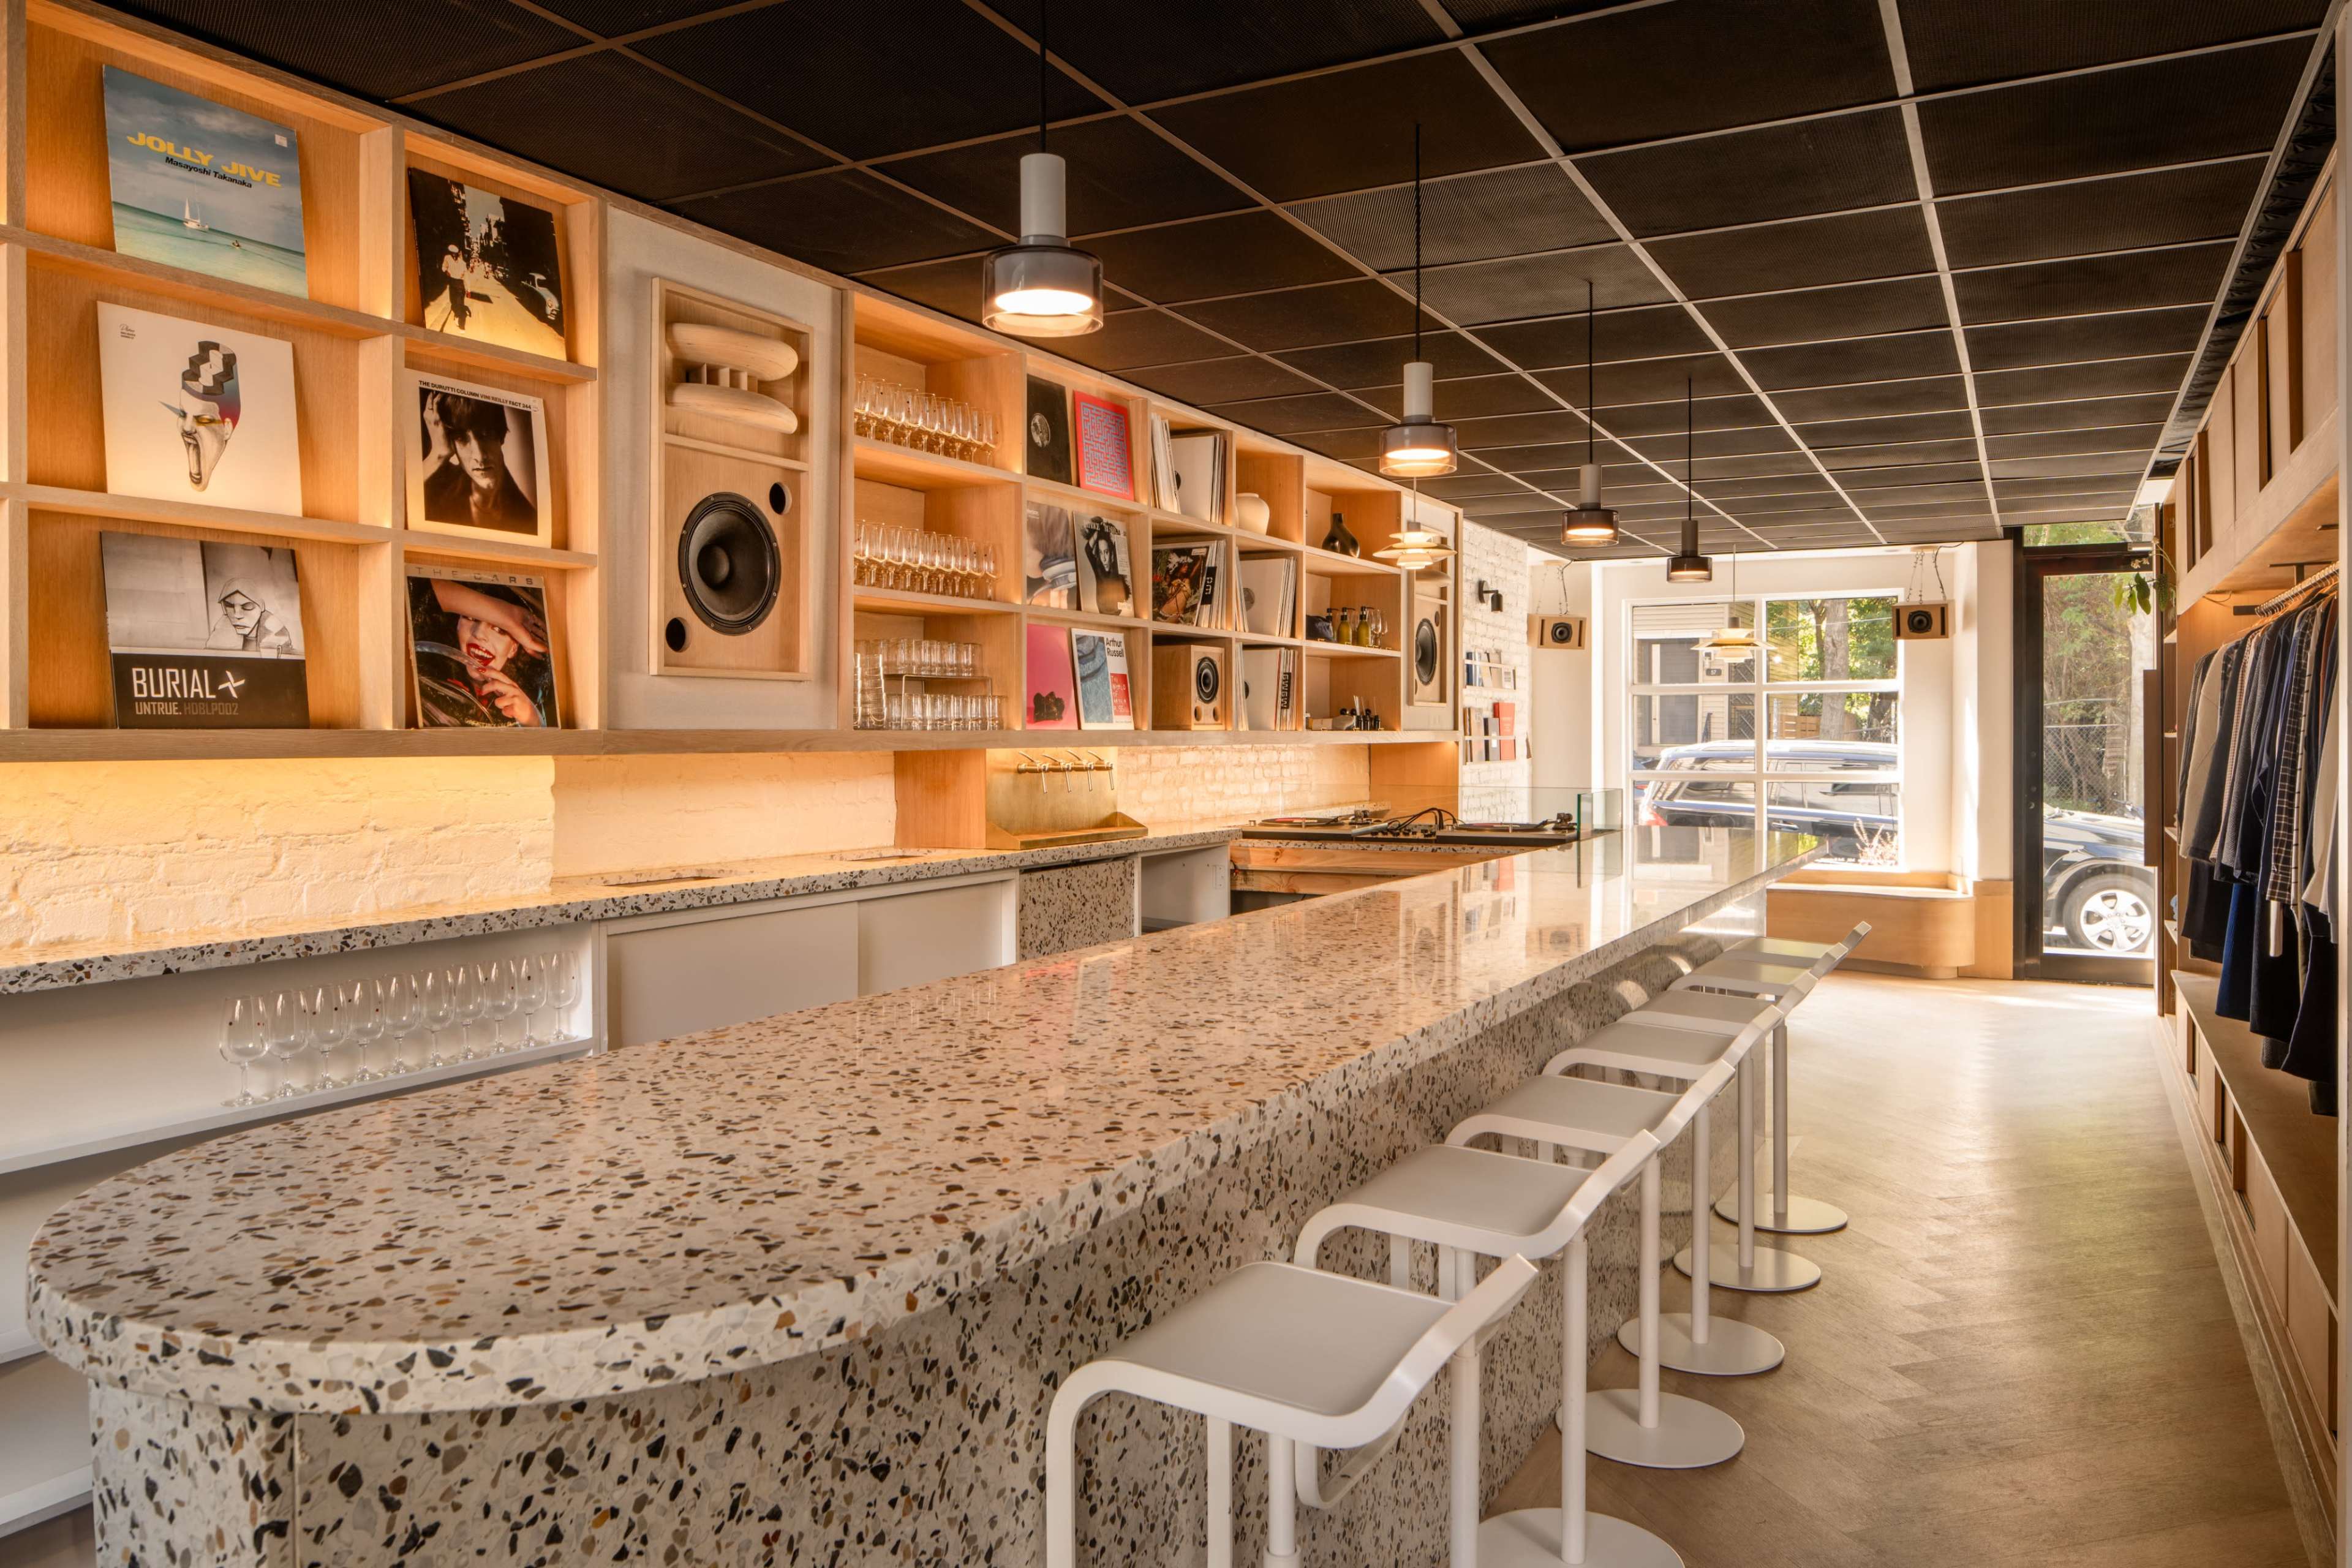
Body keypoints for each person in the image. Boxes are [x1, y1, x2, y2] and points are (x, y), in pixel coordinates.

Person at [413, 576, 554, 727]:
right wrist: (508, 616)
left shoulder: (526, 708)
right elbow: (414, 589)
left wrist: (533, 720)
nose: (479, 634)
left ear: (514, 648)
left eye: (499, 630)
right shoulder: (422, 669)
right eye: (470, 618)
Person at [420, 391, 535, 534]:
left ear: (501, 436)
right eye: (461, 438)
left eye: (486, 434)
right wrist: (438, 453)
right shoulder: (435, 494)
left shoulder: (527, 515)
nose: (479, 456)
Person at [206, 576, 296, 655]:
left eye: (247, 607)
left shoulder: (275, 628)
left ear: (261, 607)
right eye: (229, 606)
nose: (237, 615)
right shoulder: (222, 628)